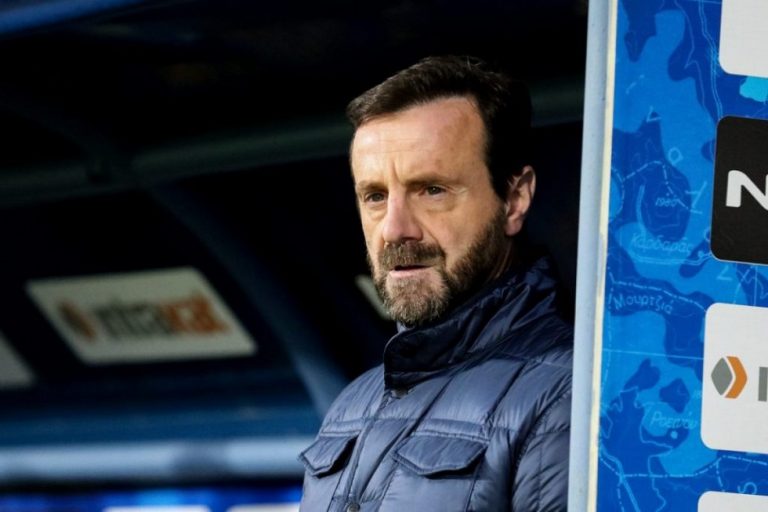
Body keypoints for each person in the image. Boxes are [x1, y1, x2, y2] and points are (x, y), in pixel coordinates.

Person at [298, 55, 573, 511]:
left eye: (431, 190)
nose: (394, 229)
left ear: (514, 198)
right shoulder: (352, 405)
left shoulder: (566, 396)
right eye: (375, 196)